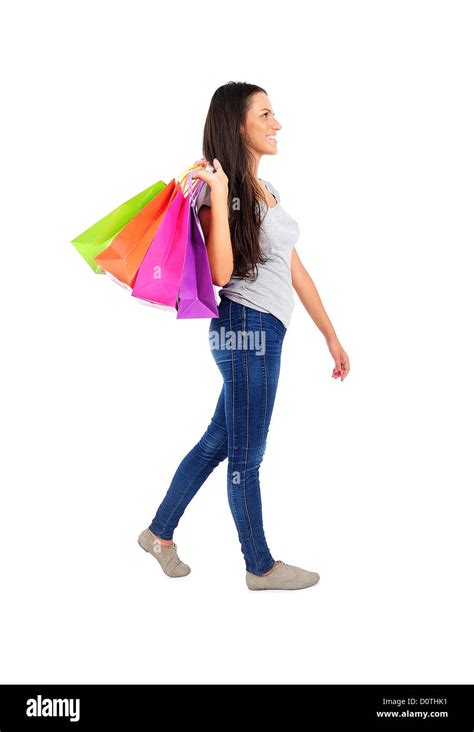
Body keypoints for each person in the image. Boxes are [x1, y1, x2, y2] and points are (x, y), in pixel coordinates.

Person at [138, 82, 350, 590]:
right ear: (238, 124)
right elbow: (220, 273)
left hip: (265, 331)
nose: (277, 124)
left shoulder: (268, 191)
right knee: (248, 455)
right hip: (244, 329)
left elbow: (294, 270)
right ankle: (260, 566)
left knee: (219, 440)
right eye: (266, 114)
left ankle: (158, 534)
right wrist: (217, 194)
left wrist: (331, 335)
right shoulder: (224, 192)